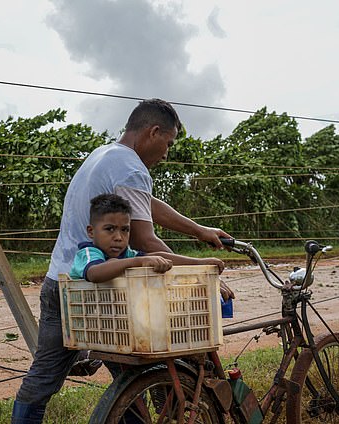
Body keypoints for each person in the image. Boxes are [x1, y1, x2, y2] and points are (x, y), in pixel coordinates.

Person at [12, 98, 234, 423]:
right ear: (153, 132)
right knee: (149, 370)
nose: (167, 153)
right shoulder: (131, 168)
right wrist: (203, 272)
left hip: (63, 285)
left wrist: (200, 231)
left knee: (46, 379)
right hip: (107, 293)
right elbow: (146, 241)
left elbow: (145, 205)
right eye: (168, 143)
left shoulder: (105, 155)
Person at [69, 193, 224, 283]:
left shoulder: (127, 254)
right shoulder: (89, 252)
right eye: (109, 229)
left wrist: (199, 263)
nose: (118, 237)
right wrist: (139, 262)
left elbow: (158, 256)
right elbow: (94, 273)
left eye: (125, 230)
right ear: (91, 231)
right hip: (88, 325)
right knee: (113, 263)